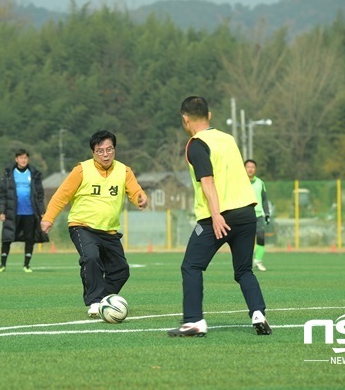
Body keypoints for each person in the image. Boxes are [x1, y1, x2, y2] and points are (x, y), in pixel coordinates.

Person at [168, 96, 271, 337]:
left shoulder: (196, 144)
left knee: (191, 266)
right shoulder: (228, 138)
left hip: (218, 217)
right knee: (244, 270)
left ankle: (194, 321)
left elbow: (208, 180)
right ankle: (258, 313)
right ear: (209, 115)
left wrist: (216, 215)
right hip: (246, 214)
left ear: (185, 119)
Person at [40, 130, 148, 317]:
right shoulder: (81, 170)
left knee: (121, 271)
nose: (105, 154)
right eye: (100, 151)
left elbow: (135, 191)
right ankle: (95, 301)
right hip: (82, 227)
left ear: (114, 149)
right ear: (93, 152)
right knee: (91, 257)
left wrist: (141, 198)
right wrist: (48, 218)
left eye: (109, 149)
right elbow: (61, 196)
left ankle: (105, 300)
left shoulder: (124, 171)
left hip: (110, 231)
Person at [0, 149, 49, 273]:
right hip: (12, 212)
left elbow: (40, 194)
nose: (23, 160)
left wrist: (42, 210)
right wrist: (2, 211)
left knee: (30, 239)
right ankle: (2, 265)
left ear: (28, 159)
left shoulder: (34, 174)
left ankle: (26, 265)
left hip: (30, 212)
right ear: (16, 159)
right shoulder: (9, 173)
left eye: (25, 158)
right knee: (7, 238)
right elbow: (3, 194)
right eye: (21, 158)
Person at [244, 159, 271, 272]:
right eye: (248, 167)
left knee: (260, 237)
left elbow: (264, 199)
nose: (250, 169)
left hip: (258, 215)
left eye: (252, 167)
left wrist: (267, 213)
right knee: (245, 240)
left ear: (255, 169)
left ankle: (258, 261)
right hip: (244, 215)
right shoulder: (239, 182)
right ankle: (245, 263)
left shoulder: (260, 183)